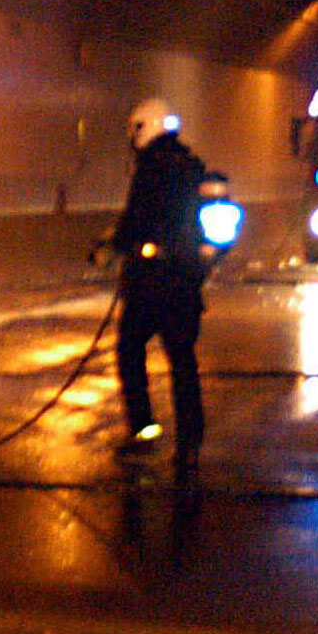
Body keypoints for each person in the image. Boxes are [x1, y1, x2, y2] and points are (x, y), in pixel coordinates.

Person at [101, 98, 212, 478]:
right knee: (183, 362)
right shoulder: (192, 167)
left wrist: (113, 246)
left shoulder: (150, 168)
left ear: (143, 127)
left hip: (151, 285)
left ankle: (144, 428)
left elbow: (138, 219)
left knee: (130, 348)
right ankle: (190, 443)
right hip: (185, 284)